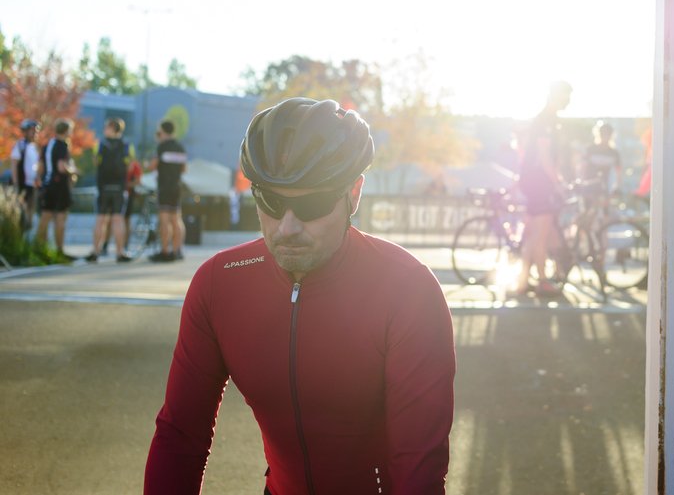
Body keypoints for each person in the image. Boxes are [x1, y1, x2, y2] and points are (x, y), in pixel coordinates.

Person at [145, 97, 456, 495]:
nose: (287, 227)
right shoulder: (218, 284)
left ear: (354, 193)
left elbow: (418, 470)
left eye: (311, 203)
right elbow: (180, 437)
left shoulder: (408, 291)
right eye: (271, 201)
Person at [513, 80, 572, 297]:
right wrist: (559, 183)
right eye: (567, 96)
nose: (568, 101)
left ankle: (523, 281)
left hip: (534, 181)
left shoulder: (548, 120)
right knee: (541, 233)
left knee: (534, 233)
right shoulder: (546, 120)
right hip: (538, 183)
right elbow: (544, 157)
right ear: (557, 96)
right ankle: (543, 281)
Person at [85, 118, 135, 263]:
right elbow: (130, 166)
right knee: (118, 220)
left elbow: (95, 162)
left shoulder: (99, 144)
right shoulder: (127, 145)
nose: (104, 129)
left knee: (100, 220)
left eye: (106, 126)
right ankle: (120, 252)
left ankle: (95, 251)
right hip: (119, 187)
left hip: (103, 186)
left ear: (112, 128)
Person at [36, 118, 78, 260]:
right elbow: (61, 167)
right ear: (66, 131)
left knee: (45, 217)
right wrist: (73, 171)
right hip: (59, 186)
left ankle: (40, 250)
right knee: (60, 218)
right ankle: (60, 251)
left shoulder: (47, 145)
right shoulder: (61, 145)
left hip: (47, 185)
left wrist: (40, 181)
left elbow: (40, 167)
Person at [146, 120, 187, 262]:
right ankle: (177, 251)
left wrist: (148, 164)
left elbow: (152, 166)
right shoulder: (180, 147)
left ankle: (165, 251)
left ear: (163, 131)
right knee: (176, 219)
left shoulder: (161, 147)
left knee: (164, 220)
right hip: (176, 186)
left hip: (164, 187)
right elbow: (184, 169)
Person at [9, 118, 41, 233]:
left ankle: (27, 239)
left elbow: (36, 166)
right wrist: (16, 184)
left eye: (36, 131)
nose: (34, 133)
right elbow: (14, 165)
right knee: (19, 212)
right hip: (21, 184)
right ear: (25, 131)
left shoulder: (35, 147)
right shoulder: (20, 145)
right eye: (32, 130)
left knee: (30, 210)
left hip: (31, 184)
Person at [580, 120, 623, 194]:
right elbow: (583, 167)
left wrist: (617, 186)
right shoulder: (590, 149)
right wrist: (581, 182)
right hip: (589, 188)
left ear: (611, 135)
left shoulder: (614, 153)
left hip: (605, 189)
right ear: (598, 134)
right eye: (603, 133)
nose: (605, 136)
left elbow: (618, 172)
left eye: (608, 134)